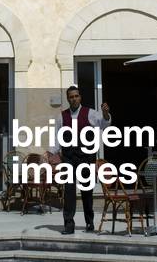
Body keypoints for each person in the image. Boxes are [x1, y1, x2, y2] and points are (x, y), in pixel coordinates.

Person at [51, 85, 111, 234]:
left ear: (80, 97)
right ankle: (69, 224)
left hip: (86, 157)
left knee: (87, 191)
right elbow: (57, 138)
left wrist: (105, 114)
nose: (74, 99)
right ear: (68, 99)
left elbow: (104, 124)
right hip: (69, 158)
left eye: (76, 96)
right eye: (71, 97)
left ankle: (89, 223)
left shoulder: (90, 113)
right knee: (69, 192)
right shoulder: (61, 116)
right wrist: (51, 154)